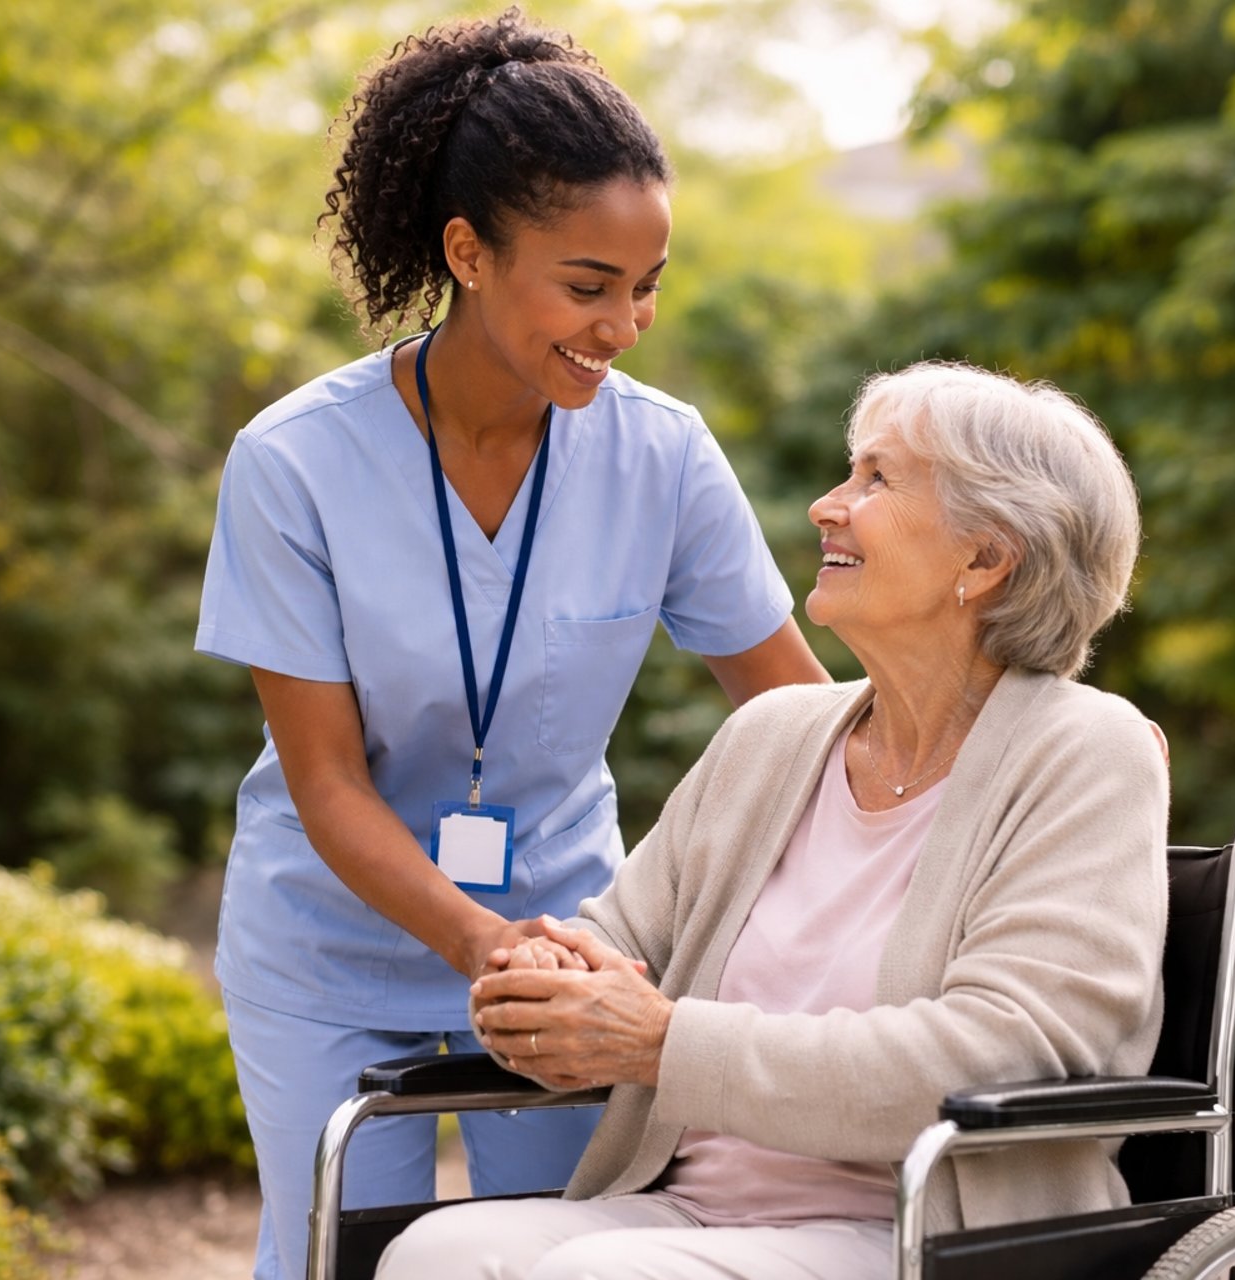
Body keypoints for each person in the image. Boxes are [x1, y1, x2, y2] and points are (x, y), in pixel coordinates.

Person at [194, 11, 827, 1278]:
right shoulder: (294, 463)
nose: (624, 324)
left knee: (564, 1253)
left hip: (568, 943)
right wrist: (479, 940)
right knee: (343, 1253)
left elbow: (802, 715)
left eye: (646, 286)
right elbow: (327, 781)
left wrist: (1021, 731)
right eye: (588, 287)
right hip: (329, 947)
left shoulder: (662, 455)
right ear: (468, 253)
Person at [377, 360, 1171, 1280]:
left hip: (921, 1230)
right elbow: (620, 949)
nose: (826, 507)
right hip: (689, 1209)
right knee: (433, 1254)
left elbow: (1006, 1051)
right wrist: (541, 985)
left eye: (878, 479)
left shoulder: (1085, 751)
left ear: (985, 560)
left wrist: (663, 1043)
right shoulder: (771, 736)